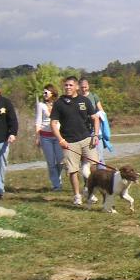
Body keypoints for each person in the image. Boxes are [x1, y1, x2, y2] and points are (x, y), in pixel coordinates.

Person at [50, 76, 100, 206]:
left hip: (86, 139)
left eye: (70, 85)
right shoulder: (59, 103)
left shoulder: (84, 101)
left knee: (93, 166)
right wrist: (60, 140)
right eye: (66, 85)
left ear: (77, 87)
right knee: (73, 170)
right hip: (69, 142)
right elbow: (53, 123)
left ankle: (90, 191)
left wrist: (95, 135)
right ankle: (77, 196)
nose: (68, 87)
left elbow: (95, 118)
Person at [35, 84, 63, 191]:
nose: (44, 94)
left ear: (52, 92)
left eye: (46, 92)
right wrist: (38, 137)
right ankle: (56, 185)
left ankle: (58, 178)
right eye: (43, 92)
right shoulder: (41, 105)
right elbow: (38, 121)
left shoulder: (58, 104)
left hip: (58, 136)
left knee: (60, 160)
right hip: (45, 137)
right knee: (51, 162)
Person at [79, 78, 108, 169]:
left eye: (85, 87)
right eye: (82, 87)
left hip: (95, 129)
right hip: (83, 130)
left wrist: (97, 115)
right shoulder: (77, 98)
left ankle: (102, 175)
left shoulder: (93, 96)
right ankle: (88, 177)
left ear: (88, 86)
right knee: (86, 158)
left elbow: (101, 111)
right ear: (79, 87)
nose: (84, 89)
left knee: (99, 157)